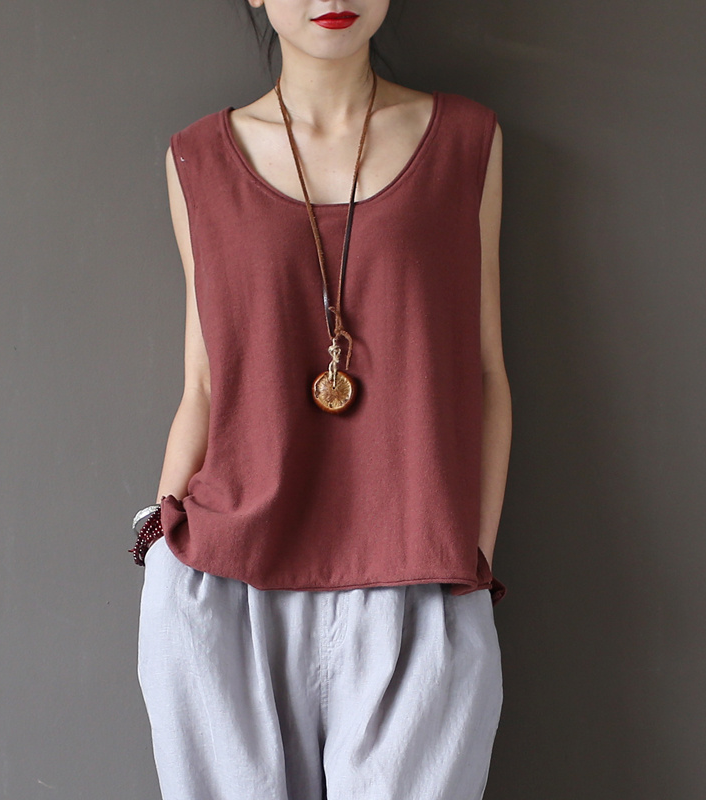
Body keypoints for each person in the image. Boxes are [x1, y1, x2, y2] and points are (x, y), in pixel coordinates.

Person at [133, 1, 511, 798]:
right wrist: (161, 557)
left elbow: (484, 373)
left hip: (416, 582)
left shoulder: (466, 141)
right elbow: (204, 384)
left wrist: (469, 562)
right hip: (226, 591)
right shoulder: (197, 159)